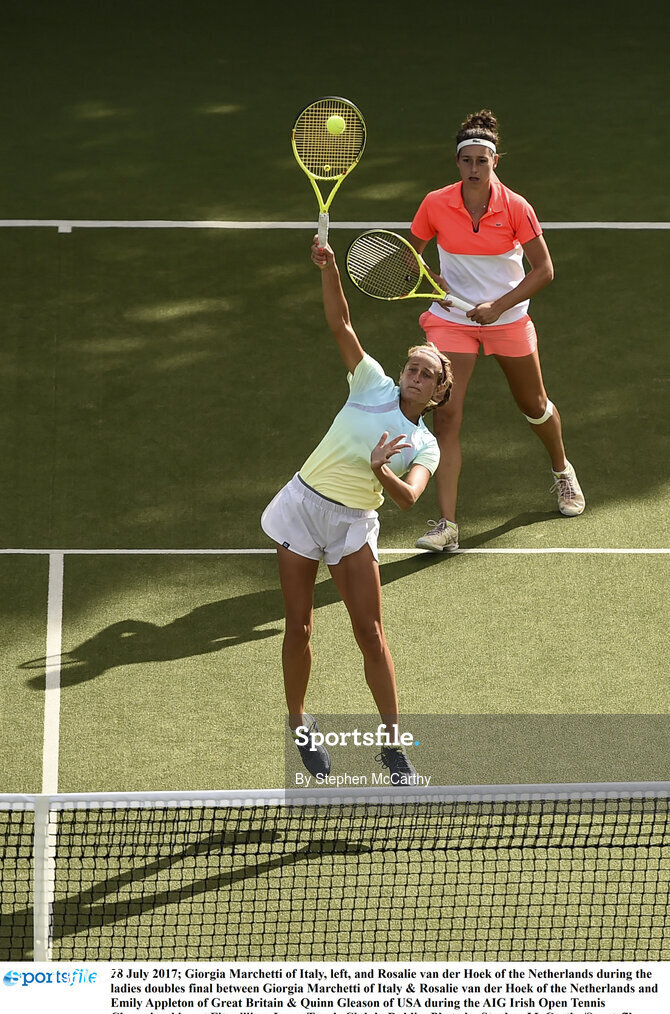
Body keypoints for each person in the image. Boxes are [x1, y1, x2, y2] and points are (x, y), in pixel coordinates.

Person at [261, 237, 453, 779]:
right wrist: (329, 270)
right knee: (298, 628)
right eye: (411, 367)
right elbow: (342, 323)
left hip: (352, 524)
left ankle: (394, 745)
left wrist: (379, 469)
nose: (414, 375)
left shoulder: (424, 443)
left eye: (425, 374)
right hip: (303, 507)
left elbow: (410, 498)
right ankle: (300, 722)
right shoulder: (370, 382)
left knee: (370, 634)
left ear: (438, 391)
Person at [409, 110, 585, 553]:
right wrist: (436, 282)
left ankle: (563, 471)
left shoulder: (517, 208)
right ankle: (446, 523)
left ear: (494, 162)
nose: (472, 170)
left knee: (535, 405)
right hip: (452, 319)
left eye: (480, 162)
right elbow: (409, 253)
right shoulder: (435, 203)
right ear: (457, 162)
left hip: (506, 319)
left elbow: (544, 270)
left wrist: (499, 306)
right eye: (465, 161)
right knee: (446, 415)